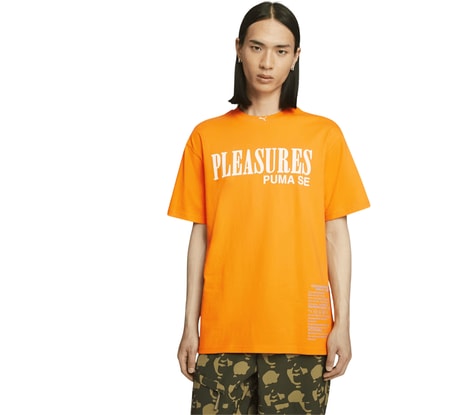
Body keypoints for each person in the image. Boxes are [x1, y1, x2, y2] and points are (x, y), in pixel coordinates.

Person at [168, 2, 370, 413]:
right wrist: (190, 325)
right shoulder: (206, 136)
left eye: (281, 51)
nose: (267, 63)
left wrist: (343, 323)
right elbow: (200, 235)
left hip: (302, 332)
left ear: (296, 58)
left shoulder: (324, 136)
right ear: (239, 48)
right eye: (257, 47)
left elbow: (335, 234)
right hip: (223, 332)